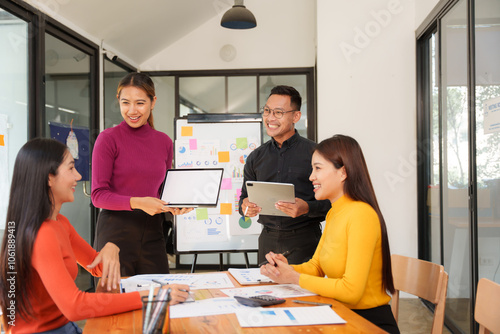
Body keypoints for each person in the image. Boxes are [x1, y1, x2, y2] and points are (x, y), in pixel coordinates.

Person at [0, 138, 190, 334]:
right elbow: (75, 306)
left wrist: (111, 247)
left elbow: (97, 267)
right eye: (71, 168)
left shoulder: (60, 223)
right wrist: (154, 295)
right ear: (49, 177)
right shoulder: (43, 234)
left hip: (65, 327)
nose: (78, 175)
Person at [260, 135, 400, 334]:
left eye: (318, 168)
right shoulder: (335, 211)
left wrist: (294, 278)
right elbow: (317, 266)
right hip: (341, 314)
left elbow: (351, 291)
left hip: (368, 323)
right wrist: (285, 269)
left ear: (343, 172)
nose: (311, 177)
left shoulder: (361, 215)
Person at [92, 72, 191, 276]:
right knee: (116, 303)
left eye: (140, 103)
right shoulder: (107, 139)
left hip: (154, 232)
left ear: (153, 102)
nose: (132, 110)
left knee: (159, 299)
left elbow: (163, 189)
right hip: (115, 233)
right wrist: (138, 202)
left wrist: (176, 204)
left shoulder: (163, 142)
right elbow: (98, 195)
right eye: (126, 103)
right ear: (118, 101)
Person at [239, 85, 330, 264]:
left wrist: (307, 208)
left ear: (296, 116)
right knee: (265, 292)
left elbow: (335, 202)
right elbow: (244, 198)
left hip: (305, 240)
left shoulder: (316, 153)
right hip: (267, 241)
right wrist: (245, 207)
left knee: (304, 292)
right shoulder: (255, 157)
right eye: (267, 111)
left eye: (278, 112)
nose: (270, 118)